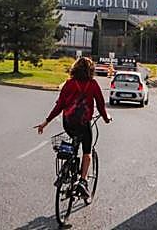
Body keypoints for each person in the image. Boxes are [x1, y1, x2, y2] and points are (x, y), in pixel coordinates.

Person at [35, 56, 110, 202]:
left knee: (73, 144)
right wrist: (106, 119)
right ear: (91, 70)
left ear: (75, 68)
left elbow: (59, 106)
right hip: (84, 124)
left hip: (68, 123)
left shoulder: (68, 84)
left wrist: (46, 122)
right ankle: (82, 181)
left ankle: (66, 169)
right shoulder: (93, 84)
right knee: (87, 152)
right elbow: (101, 105)